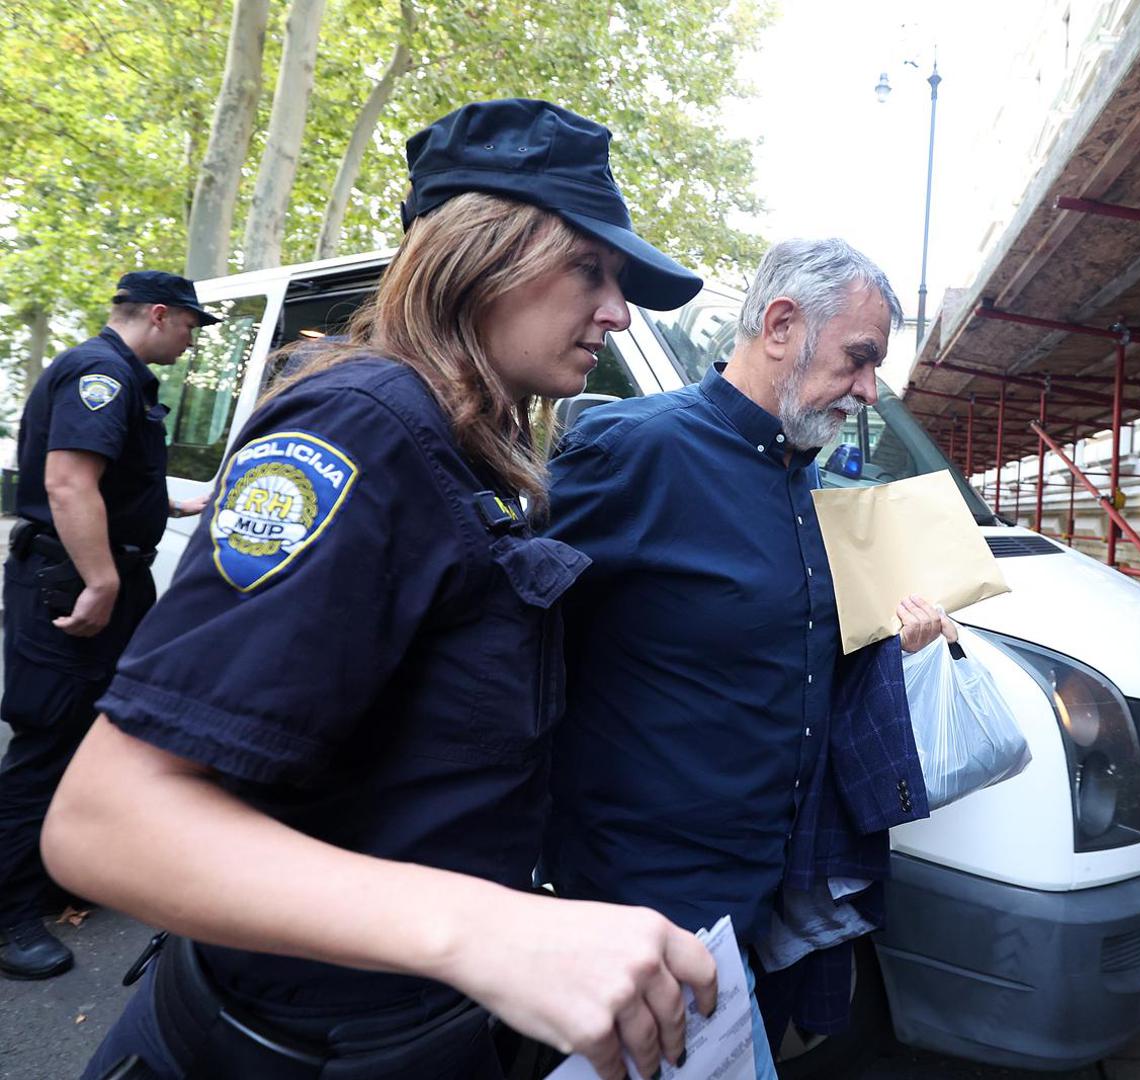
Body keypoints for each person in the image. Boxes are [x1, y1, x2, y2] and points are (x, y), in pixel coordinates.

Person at [43, 99, 717, 1080]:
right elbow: (107, 823)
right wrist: (489, 932)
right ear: (478, 257)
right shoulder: (364, 427)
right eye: (589, 270)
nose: (617, 311)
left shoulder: (468, 445)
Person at [543, 238, 949, 1078]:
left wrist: (894, 640)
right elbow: (507, 652)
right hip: (644, 910)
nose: (869, 391)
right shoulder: (631, 452)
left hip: (765, 898)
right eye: (859, 358)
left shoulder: (809, 484)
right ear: (781, 324)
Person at [0, 272, 216, 980]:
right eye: (190, 325)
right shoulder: (101, 373)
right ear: (158, 314)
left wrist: (171, 507)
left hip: (96, 570)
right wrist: (100, 580)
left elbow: (110, 479)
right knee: (48, 738)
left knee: (84, 734)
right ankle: (6, 915)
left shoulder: (119, 375)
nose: (191, 340)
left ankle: (47, 874)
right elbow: (67, 482)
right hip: (70, 578)